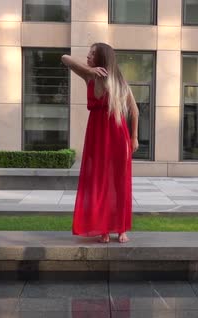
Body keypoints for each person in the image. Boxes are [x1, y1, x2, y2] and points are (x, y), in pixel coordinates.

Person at [61, 43, 139, 244]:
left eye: (93, 53)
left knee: (119, 184)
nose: (88, 55)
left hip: (118, 138)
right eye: (89, 52)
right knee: (99, 183)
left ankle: (121, 228)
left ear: (102, 57)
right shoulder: (89, 77)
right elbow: (64, 58)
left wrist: (134, 137)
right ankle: (104, 228)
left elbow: (135, 111)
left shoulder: (120, 83)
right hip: (97, 138)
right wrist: (89, 69)